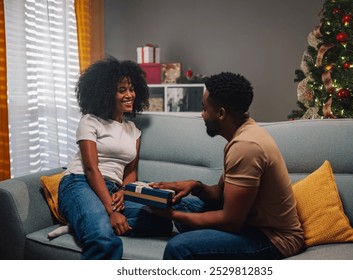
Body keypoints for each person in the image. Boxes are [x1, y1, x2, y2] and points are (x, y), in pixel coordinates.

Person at [151, 72, 304, 260]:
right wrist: (196, 186)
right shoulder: (242, 135)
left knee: (179, 247)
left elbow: (231, 222)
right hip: (249, 221)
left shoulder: (246, 146)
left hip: (274, 237)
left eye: (204, 109)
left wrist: (172, 215)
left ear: (221, 113)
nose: (202, 115)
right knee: (183, 206)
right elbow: (221, 195)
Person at [58, 57, 173, 260]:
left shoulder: (133, 131)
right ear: (106, 93)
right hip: (80, 183)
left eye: (131, 89)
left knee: (161, 224)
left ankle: (85, 221)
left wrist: (123, 192)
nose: (129, 95)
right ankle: (95, 223)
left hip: (114, 189)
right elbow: (91, 168)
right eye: (122, 90)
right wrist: (112, 212)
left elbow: (130, 171)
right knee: (103, 239)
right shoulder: (90, 121)